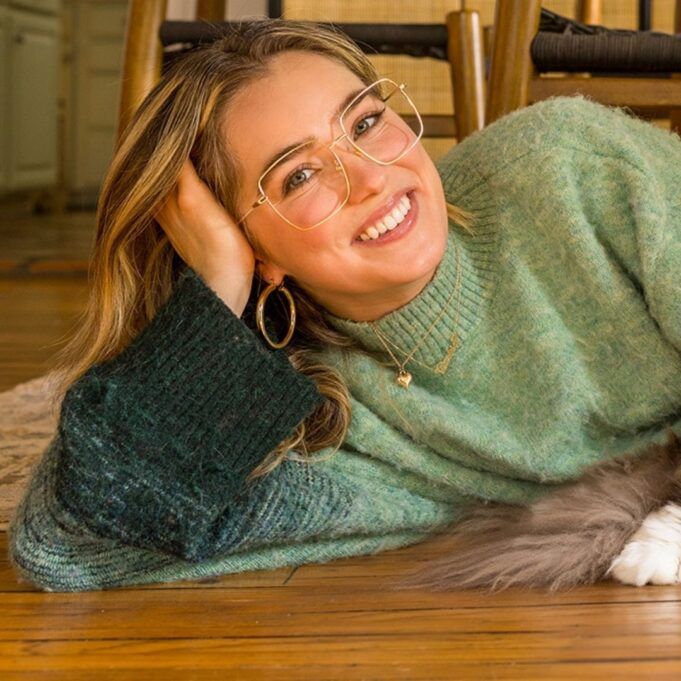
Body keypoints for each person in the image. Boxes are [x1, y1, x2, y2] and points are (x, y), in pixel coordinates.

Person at [8, 18, 681, 592]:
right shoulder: (324, 421)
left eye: (365, 122)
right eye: (298, 175)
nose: (368, 177)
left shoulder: (571, 166)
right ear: (249, 246)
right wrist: (215, 293)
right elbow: (64, 543)